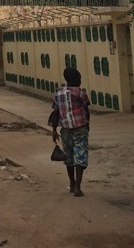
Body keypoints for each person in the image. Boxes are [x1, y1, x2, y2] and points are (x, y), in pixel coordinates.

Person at [50, 67, 90, 197]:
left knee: (69, 156)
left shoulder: (58, 93)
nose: (80, 81)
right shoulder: (81, 93)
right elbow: (86, 109)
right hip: (79, 127)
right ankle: (78, 186)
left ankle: (72, 183)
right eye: (78, 79)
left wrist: (54, 130)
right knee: (80, 155)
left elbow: (55, 113)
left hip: (65, 129)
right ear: (75, 79)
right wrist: (87, 125)